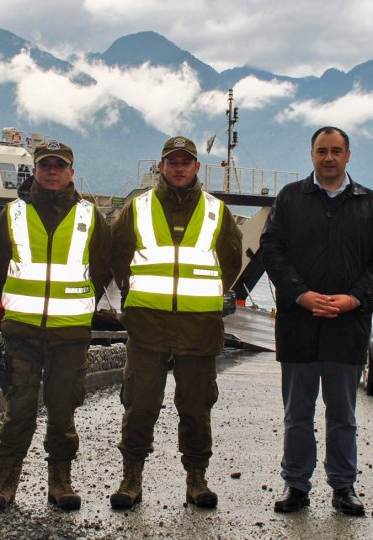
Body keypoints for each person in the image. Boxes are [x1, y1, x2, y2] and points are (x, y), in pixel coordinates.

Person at [259, 126, 373, 516]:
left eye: (337, 151)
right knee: (297, 415)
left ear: (348, 156)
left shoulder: (369, 203)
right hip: (299, 327)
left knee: (343, 416)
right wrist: (301, 294)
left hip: (346, 329)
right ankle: (296, 485)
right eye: (322, 151)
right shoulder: (290, 199)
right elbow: (272, 250)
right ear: (312, 155)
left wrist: (354, 298)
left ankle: (343, 486)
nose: (329, 157)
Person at [108, 136, 242, 510]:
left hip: (199, 329)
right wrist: (132, 291)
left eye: (186, 161)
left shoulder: (217, 211)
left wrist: (210, 296)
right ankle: (131, 478)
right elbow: (118, 253)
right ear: (161, 166)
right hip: (147, 327)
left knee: (197, 407)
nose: (179, 167)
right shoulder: (138, 208)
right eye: (173, 161)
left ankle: (196, 480)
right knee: (140, 404)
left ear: (197, 167)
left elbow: (231, 261)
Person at [0, 140, 111, 510]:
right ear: (35, 170)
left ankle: (61, 481)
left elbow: (101, 268)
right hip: (21, 332)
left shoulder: (91, 217)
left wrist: (78, 305)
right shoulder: (12, 214)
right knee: (18, 409)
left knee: (63, 409)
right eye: (46, 165)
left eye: (60, 165)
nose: (52, 171)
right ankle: (6, 481)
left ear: (71, 172)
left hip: (70, 334)